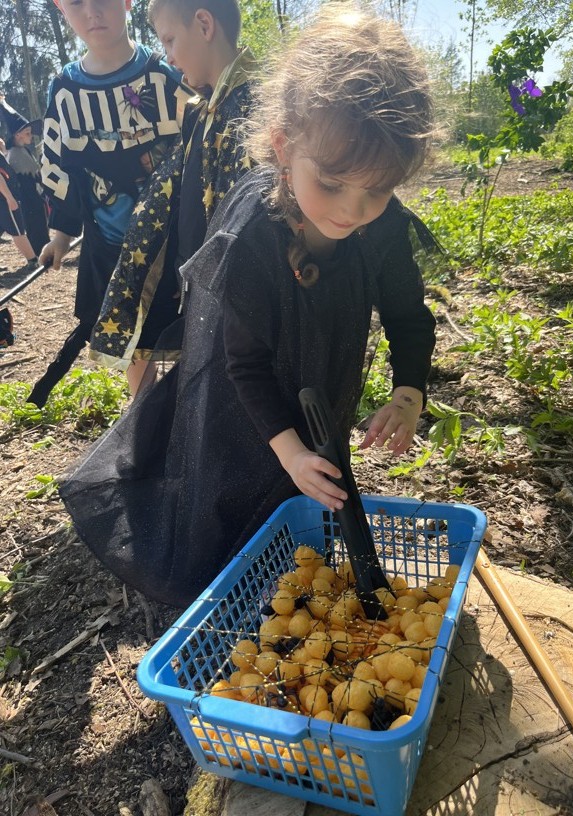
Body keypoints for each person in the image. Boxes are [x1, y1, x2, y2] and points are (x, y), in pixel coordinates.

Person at [60, 3, 437, 608]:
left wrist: (409, 392)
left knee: (316, 468)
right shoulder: (256, 229)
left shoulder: (381, 224)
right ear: (284, 148)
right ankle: (230, 585)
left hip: (324, 373)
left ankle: (298, 567)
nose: (352, 210)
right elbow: (246, 364)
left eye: (378, 189)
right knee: (238, 479)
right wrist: (289, 452)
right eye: (332, 184)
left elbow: (408, 313)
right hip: (240, 387)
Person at [30, 0, 192, 407]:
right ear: (60, 8)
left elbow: (199, 150)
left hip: (173, 245)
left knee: (189, 331)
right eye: (76, 3)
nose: (92, 12)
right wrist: (61, 236)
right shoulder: (64, 91)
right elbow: (61, 169)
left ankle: (193, 415)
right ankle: (144, 416)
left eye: (102, 0)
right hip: (109, 247)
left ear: (127, 2)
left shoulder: (165, 74)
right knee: (133, 343)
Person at [89, 0, 255, 395]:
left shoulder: (252, 109)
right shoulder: (201, 110)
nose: (168, 56)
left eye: (169, 40)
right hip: (192, 282)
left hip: (235, 299)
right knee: (178, 378)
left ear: (204, 24)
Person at [0, 97, 50, 257]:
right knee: (34, 227)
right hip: (27, 200)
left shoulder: (24, 151)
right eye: (27, 133)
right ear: (17, 135)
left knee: (40, 225)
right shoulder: (14, 155)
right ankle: (38, 254)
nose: (31, 135)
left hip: (35, 198)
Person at [0, 137, 39, 273]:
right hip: (4, 199)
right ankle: (33, 260)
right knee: (18, 231)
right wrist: (9, 198)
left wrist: (3, 150)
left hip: (4, 198)